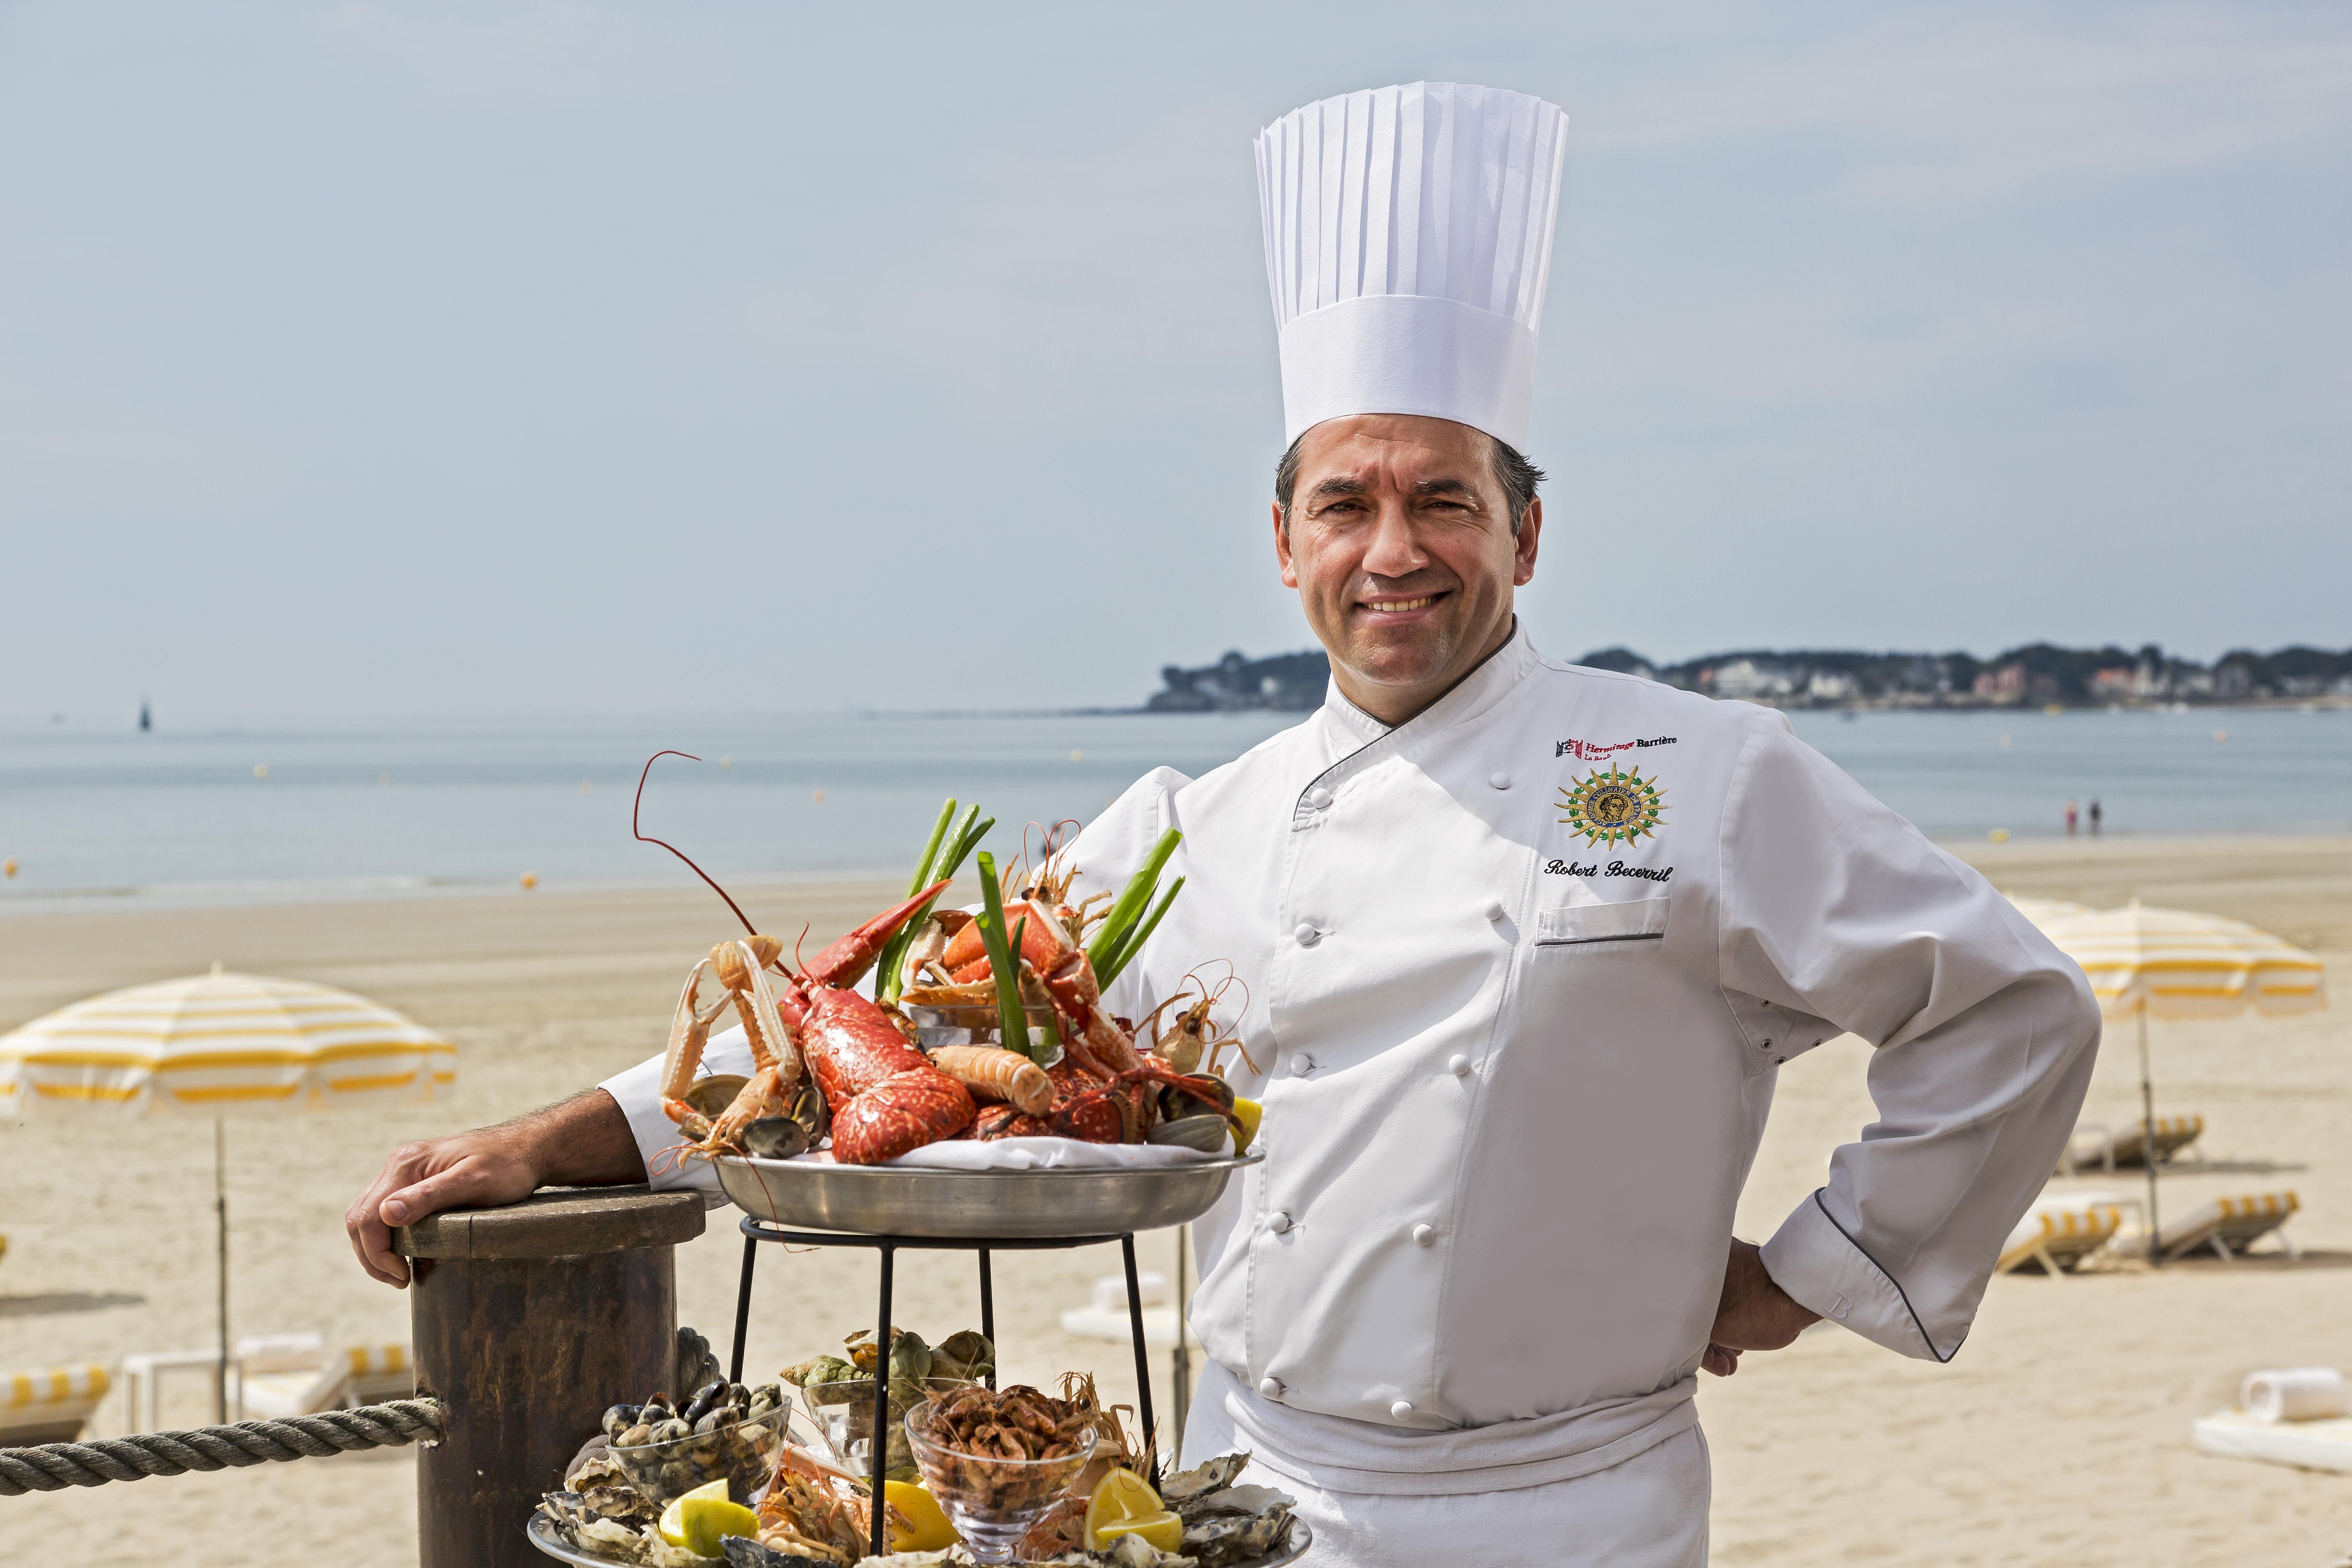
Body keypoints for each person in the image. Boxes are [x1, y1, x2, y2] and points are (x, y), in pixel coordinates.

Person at [349, 82, 2102, 1566]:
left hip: (1572, 1509)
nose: (1394, 548)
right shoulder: (1199, 823)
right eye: (1347, 501)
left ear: (1528, 536)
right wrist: (546, 1138)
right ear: (1283, 545)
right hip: (1222, 1498)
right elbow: (864, 1030)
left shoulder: (1695, 770)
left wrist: (1809, 1271)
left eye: (1445, 499)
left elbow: (2009, 1008)